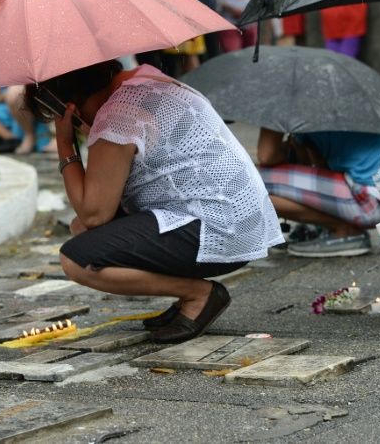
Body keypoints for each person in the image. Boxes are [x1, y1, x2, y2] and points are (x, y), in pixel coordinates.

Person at [22, 60, 283, 343]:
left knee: (76, 259)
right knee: (84, 234)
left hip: (220, 229)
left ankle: (199, 295)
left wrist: (64, 143)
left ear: (68, 106)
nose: (82, 127)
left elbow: (94, 212)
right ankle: (189, 293)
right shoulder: (147, 81)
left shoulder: (118, 113)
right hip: (236, 220)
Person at [257, 128, 380, 257]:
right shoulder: (342, 105)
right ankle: (337, 227)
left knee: (254, 183)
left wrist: (282, 142)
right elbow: (319, 167)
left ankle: (344, 230)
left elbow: (267, 155)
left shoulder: (299, 109)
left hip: (373, 201)